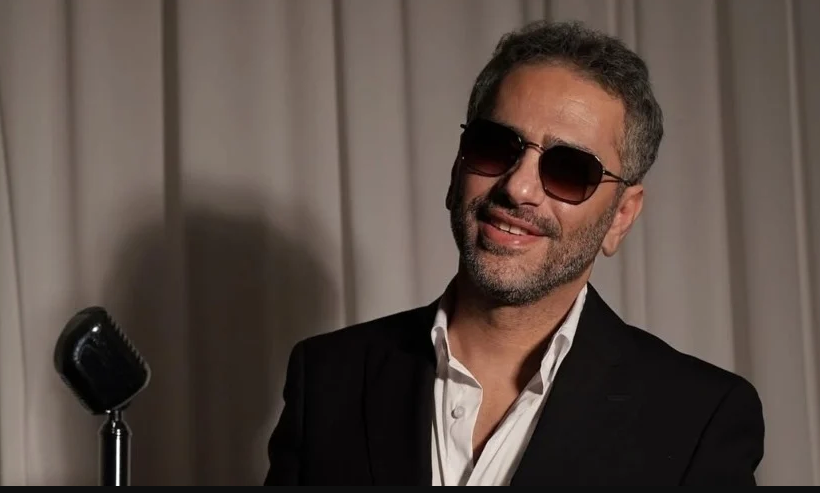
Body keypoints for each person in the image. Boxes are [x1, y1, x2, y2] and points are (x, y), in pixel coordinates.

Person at [262, 20, 765, 486]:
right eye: (495, 146)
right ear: (457, 170)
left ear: (621, 216)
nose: (518, 187)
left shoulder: (698, 419)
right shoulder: (328, 378)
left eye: (570, 170)